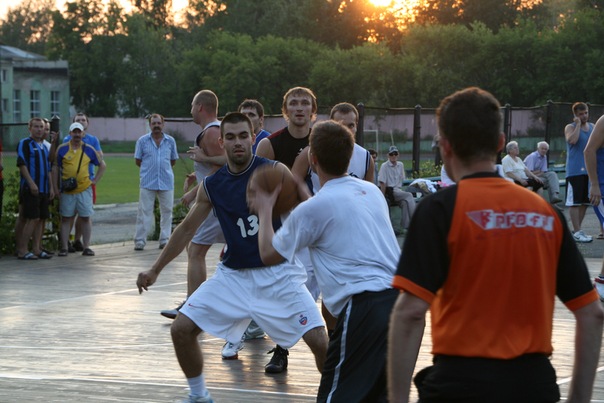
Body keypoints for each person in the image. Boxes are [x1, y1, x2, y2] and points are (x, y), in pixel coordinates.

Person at [387, 87, 604, 403]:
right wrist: (578, 398)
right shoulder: (546, 214)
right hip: (533, 386)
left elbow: (409, 313)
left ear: (445, 146)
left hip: (459, 385)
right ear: (501, 143)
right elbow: (591, 313)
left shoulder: (441, 210)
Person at [136, 112, 328, 403]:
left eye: (243, 136)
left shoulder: (274, 170)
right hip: (233, 276)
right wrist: (155, 269)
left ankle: (333, 396)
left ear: (253, 138)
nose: (237, 142)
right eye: (230, 137)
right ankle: (199, 396)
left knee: (320, 341)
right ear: (221, 142)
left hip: (278, 274)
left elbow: (310, 210)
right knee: (181, 329)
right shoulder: (212, 185)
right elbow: (186, 229)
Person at [250, 120, 400, 402]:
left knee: (335, 395)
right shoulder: (371, 192)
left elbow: (269, 254)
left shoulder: (314, 209)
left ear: (313, 159)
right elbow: (332, 207)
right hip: (398, 303)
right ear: (350, 155)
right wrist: (303, 194)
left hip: (363, 308)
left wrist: (265, 209)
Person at [255, 86, 318, 373]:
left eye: (305, 103)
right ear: (285, 110)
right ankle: (281, 349)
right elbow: (257, 188)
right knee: (293, 288)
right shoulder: (269, 145)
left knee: (335, 289)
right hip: (288, 223)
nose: (299, 107)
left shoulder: (324, 140)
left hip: (323, 219)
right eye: (294, 103)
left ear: (313, 111)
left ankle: (339, 347)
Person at [158, 90, 226, 325]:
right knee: (194, 247)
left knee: (196, 250)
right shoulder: (212, 130)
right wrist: (195, 187)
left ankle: (194, 306)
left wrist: (203, 163)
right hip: (212, 199)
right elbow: (213, 170)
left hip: (215, 203)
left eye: (192, 105)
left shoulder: (212, 132)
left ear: (200, 107)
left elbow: (225, 165)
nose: (190, 110)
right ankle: (197, 303)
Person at [53, 122, 106, 256]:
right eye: (74, 132)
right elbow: (55, 168)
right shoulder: (62, 149)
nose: (77, 135)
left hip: (84, 188)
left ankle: (86, 246)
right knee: (66, 218)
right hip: (67, 190)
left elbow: (102, 165)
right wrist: (55, 187)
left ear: (83, 133)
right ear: (70, 133)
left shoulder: (89, 149)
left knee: (85, 217)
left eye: (79, 132)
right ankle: (64, 247)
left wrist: (94, 180)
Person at [133, 114, 179, 251]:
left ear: (163, 125)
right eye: (154, 123)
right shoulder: (142, 141)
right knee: (144, 212)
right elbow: (138, 160)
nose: (156, 126)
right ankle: (140, 241)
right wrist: (150, 169)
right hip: (148, 181)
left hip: (166, 181)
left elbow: (173, 160)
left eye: (159, 123)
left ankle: (165, 240)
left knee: (167, 211)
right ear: (150, 125)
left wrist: (162, 169)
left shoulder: (170, 141)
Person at [15, 118, 54, 260]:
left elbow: (48, 168)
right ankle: (22, 250)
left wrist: (51, 187)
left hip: (44, 188)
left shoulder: (44, 146)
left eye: (41, 127)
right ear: (29, 128)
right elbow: (22, 164)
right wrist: (31, 183)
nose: (39, 129)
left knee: (41, 219)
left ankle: (37, 248)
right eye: (36, 126)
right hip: (31, 188)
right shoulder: (25, 143)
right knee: (32, 218)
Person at [564, 102, 594, 243]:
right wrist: (577, 125)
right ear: (575, 115)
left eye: (586, 113)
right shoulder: (570, 127)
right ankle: (576, 231)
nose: (584, 116)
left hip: (589, 170)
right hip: (575, 171)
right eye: (581, 114)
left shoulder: (593, 127)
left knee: (584, 202)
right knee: (574, 202)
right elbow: (572, 140)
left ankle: (578, 231)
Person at [583, 114, 604, 300]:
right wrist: (595, 184)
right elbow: (588, 150)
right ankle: (601, 283)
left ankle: (602, 281)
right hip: (602, 188)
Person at [377, 145, 416, 232]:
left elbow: (402, 179)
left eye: (395, 154)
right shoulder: (384, 166)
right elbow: (382, 183)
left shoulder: (400, 165)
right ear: (388, 155)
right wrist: (382, 198)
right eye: (391, 154)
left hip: (398, 191)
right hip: (390, 191)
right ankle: (416, 220)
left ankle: (406, 227)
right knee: (409, 195)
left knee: (404, 203)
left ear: (398, 155)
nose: (393, 156)